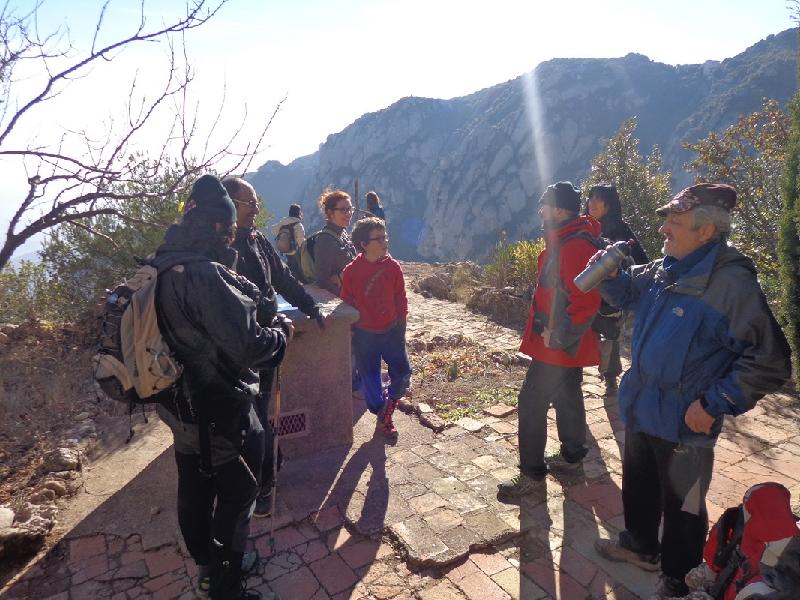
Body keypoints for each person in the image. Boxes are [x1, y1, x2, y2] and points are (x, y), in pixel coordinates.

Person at [593, 183, 791, 599]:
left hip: (687, 422)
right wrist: (610, 277)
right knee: (640, 484)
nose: (664, 227)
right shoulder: (668, 266)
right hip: (643, 404)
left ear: (706, 231)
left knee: (684, 507)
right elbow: (628, 293)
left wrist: (716, 402)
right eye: (667, 218)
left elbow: (769, 360)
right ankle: (642, 546)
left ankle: (679, 579)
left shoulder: (731, 284)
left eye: (675, 221)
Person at [153, 174, 291, 600]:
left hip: (177, 405)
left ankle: (206, 569)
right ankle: (226, 583)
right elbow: (248, 345)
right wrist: (281, 337)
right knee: (239, 492)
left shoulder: (161, 264)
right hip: (218, 404)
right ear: (216, 226)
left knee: (193, 486)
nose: (233, 236)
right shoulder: (203, 274)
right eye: (229, 229)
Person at [222, 177, 324, 518]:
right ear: (230, 205)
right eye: (249, 203)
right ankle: (256, 488)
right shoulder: (217, 247)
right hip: (234, 353)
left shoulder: (257, 241)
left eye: (255, 203)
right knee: (246, 424)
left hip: (265, 346)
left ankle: (264, 482)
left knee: (261, 418)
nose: (255, 210)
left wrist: (311, 307)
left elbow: (283, 279)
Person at [497, 182, 602, 498]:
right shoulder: (569, 240)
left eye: (545, 206)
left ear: (559, 211)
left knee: (531, 404)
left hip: (556, 344)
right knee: (568, 394)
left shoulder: (573, 247)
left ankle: (531, 475)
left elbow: (586, 303)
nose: (540, 211)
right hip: (563, 343)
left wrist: (556, 337)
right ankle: (572, 457)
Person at [340, 217, 412, 438]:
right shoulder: (351, 271)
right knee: (370, 379)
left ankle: (388, 409)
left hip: (391, 331)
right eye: (378, 238)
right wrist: (351, 330)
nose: (384, 242)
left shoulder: (393, 267)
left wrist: (401, 324)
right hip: (365, 334)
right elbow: (347, 301)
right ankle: (381, 412)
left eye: (385, 236)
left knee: (402, 373)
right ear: (363, 244)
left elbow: (401, 298)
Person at [585, 183, 649, 395]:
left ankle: (611, 378)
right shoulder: (582, 227)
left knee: (610, 334)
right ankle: (567, 379)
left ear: (609, 204)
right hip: (583, 290)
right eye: (591, 197)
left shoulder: (620, 230)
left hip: (610, 295)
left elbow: (641, 262)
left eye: (598, 198)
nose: (592, 202)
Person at [313, 189, 357, 296]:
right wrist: (344, 297)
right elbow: (322, 280)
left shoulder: (343, 233)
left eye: (350, 209)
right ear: (330, 213)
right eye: (343, 210)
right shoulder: (325, 240)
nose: (348, 214)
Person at [271, 204, 305, 278]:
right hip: (295, 251)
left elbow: (273, 230)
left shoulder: (283, 222)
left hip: (285, 249)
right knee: (297, 269)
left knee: (289, 265)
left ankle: (288, 278)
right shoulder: (298, 225)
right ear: (299, 213)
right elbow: (301, 241)